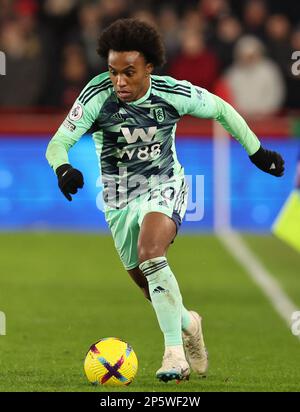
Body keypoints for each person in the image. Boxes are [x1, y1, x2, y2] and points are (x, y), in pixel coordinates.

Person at [45, 18, 285, 382]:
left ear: (149, 68)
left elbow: (221, 108)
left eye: (129, 72)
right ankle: (189, 323)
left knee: (151, 252)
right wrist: (63, 168)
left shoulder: (172, 93)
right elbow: (57, 142)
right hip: (117, 198)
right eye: (113, 72)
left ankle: (174, 355)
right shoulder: (96, 96)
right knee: (146, 283)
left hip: (164, 185)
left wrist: (256, 151)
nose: (120, 81)